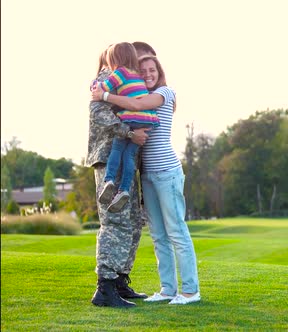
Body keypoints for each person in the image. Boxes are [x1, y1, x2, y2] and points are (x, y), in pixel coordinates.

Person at [92, 54, 201, 305]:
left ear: (159, 71)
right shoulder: (136, 94)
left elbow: (139, 105)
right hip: (148, 174)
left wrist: (104, 95)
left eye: (152, 69)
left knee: (176, 231)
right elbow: (131, 104)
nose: (148, 74)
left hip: (167, 171)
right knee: (158, 234)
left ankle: (190, 291)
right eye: (143, 71)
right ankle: (167, 289)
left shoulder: (165, 92)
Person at [87, 45, 150, 307]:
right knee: (114, 222)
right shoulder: (105, 80)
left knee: (134, 222)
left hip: (127, 161)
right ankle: (105, 287)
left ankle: (121, 281)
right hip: (109, 158)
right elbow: (98, 113)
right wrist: (128, 132)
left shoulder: (126, 79)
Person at [95, 42, 160, 213]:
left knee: (117, 149)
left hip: (132, 117)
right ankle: (123, 190)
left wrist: (96, 88)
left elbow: (103, 88)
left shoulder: (120, 72)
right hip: (147, 119)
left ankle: (109, 181)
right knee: (129, 154)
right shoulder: (138, 74)